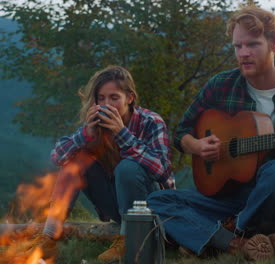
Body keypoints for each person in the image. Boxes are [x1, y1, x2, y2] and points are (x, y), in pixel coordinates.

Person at [147, 5, 275, 261]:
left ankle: (222, 233)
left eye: (252, 45)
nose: (243, 53)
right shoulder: (221, 85)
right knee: (156, 200)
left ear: (274, 43)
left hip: (271, 198)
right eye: (237, 47)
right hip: (225, 195)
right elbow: (181, 132)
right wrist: (196, 146)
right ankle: (237, 243)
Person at [33, 65, 175, 263]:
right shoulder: (96, 124)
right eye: (101, 98)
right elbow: (57, 157)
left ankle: (127, 239)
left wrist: (122, 134)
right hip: (116, 204)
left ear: (130, 98)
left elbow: (163, 172)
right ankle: (48, 236)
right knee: (77, 158)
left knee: (127, 167)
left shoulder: (151, 121)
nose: (106, 104)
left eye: (114, 98)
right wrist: (86, 135)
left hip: (151, 207)